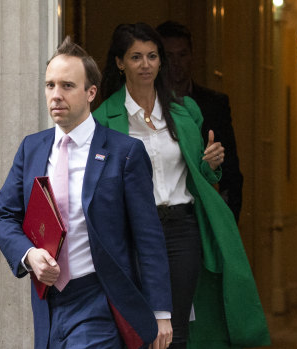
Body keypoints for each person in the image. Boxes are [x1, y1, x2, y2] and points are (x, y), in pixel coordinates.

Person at [93, 22, 270, 349]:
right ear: (120, 63)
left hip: (182, 229)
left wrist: (210, 164)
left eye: (152, 56)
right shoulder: (104, 119)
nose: (146, 64)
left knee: (176, 328)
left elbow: (199, 176)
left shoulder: (184, 111)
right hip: (133, 232)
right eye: (136, 57)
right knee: (138, 326)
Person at [0, 37, 174, 349]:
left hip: (100, 300)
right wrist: (29, 255)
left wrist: (160, 312)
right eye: (50, 86)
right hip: (48, 305)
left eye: (67, 86)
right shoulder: (31, 148)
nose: (56, 96)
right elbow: (4, 217)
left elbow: (148, 237)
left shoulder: (124, 152)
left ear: (91, 92)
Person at [155, 20, 244, 222]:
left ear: (192, 56)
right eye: (169, 56)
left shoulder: (215, 104)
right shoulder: (146, 105)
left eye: (182, 55)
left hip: (204, 212)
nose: (176, 63)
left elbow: (230, 170)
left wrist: (227, 219)